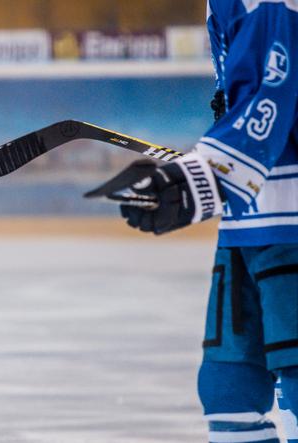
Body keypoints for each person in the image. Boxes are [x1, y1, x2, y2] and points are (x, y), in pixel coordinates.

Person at [100, 1, 298, 441]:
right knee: (228, 394)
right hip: (249, 222)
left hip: (289, 227)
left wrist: (207, 175)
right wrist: (205, 172)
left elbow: (277, 86)